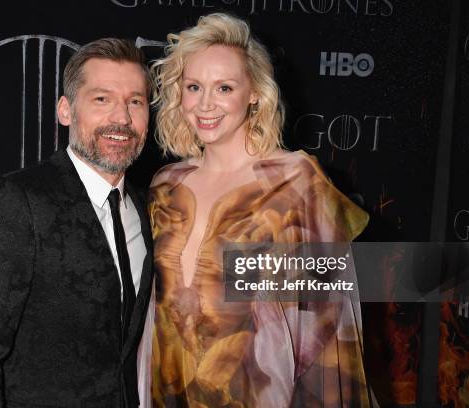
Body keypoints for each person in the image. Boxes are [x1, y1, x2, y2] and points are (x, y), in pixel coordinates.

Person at [144, 13, 372, 407]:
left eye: (224, 87)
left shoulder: (293, 181)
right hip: (170, 392)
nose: (206, 105)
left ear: (253, 92)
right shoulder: (166, 185)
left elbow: (329, 326)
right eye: (194, 87)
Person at [0, 38, 154, 408]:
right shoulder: (16, 201)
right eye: (102, 99)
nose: (122, 118)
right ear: (65, 110)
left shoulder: (145, 207)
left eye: (135, 101)